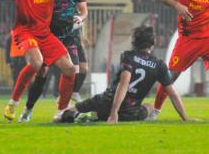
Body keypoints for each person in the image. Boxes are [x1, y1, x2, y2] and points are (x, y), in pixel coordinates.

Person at [3, 0, 128, 122]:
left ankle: (61, 111)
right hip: (25, 30)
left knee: (70, 69)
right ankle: (13, 102)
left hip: (46, 33)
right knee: (37, 65)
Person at [58, 26, 188, 123]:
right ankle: (94, 116)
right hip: (130, 113)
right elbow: (173, 95)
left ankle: (82, 115)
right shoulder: (159, 65)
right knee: (148, 106)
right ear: (152, 44)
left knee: (64, 114)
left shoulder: (128, 56)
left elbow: (124, 84)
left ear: (134, 43)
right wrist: (185, 119)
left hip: (105, 103)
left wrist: (114, 113)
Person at [17, 0, 88, 122]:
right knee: (42, 72)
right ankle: (28, 109)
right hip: (49, 32)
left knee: (78, 69)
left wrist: (81, 17)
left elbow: (84, 9)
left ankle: (62, 107)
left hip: (70, 33)